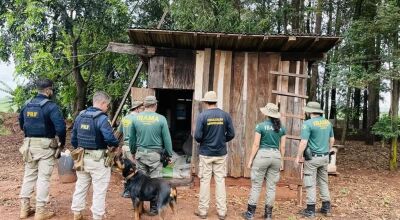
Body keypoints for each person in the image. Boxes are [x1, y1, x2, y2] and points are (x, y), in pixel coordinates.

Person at [18, 79, 66, 220]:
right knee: (43, 178)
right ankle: (40, 212)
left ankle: (24, 209)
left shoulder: (27, 105)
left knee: (29, 176)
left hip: (29, 145)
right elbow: (61, 128)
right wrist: (61, 143)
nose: (52, 92)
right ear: (48, 90)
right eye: (52, 90)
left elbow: (22, 123)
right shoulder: (51, 106)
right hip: (45, 146)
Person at [70, 91, 119, 220]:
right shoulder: (102, 118)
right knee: (99, 190)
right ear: (102, 103)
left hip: (81, 158)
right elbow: (110, 138)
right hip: (98, 159)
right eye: (107, 105)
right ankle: (97, 216)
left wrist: (80, 148)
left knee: (81, 185)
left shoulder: (80, 116)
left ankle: (77, 213)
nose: (107, 108)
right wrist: (115, 143)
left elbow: (73, 139)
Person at [129, 95, 174, 215]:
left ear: (144, 106)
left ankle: (140, 208)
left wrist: (133, 152)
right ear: (155, 105)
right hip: (155, 156)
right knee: (156, 182)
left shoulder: (136, 119)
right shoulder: (161, 119)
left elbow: (132, 139)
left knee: (140, 182)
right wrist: (169, 155)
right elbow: (167, 139)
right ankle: (154, 209)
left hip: (140, 154)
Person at [194, 91, 235, 220]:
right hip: (221, 154)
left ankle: (203, 211)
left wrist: (204, 142)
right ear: (216, 101)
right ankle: (222, 212)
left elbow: (197, 136)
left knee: (205, 182)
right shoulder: (225, 115)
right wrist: (222, 141)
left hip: (206, 154)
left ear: (206, 102)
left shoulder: (202, 116)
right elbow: (231, 134)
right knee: (220, 181)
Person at [242, 103, 286, 220]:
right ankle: (268, 215)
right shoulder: (281, 128)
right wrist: (281, 161)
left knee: (256, 185)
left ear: (267, 113)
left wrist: (250, 160)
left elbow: (256, 145)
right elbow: (283, 147)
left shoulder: (260, 126)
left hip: (262, 156)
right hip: (276, 156)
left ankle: (250, 214)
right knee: (271, 187)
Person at [295, 102, 335, 218]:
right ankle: (326, 208)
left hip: (312, 159)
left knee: (310, 183)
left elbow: (303, 142)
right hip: (324, 157)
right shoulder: (327, 123)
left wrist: (298, 156)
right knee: (323, 182)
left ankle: (310, 210)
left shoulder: (308, 124)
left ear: (309, 111)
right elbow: (332, 139)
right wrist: (328, 150)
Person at [117, 100, 144, 197]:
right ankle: (132, 191)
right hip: (133, 148)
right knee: (134, 170)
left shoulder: (125, 118)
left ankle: (126, 191)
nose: (142, 110)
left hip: (125, 147)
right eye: (141, 108)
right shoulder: (138, 119)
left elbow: (119, 132)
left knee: (126, 170)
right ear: (137, 109)